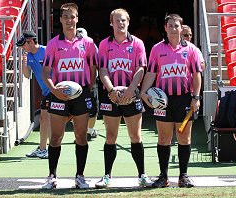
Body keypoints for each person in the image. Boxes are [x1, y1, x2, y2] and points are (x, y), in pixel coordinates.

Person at [140, 14, 203, 188]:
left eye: (177, 25)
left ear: (181, 28)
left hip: (184, 98)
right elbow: (151, 73)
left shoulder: (191, 49)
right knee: (163, 138)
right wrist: (143, 92)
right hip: (162, 99)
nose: (174, 28)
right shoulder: (157, 49)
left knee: (184, 137)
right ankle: (163, 176)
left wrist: (196, 97)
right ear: (165, 28)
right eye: (170, 25)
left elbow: (197, 75)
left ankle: (183, 176)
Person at [41, 3, 97, 189]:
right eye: (65, 17)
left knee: (81, 137)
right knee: (56, 137)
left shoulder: (88, 44)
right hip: (59, 95)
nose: (69, 20)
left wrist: (87, 89)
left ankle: (80, 176)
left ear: (77, 19)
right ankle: (52, 176)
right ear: (60, 20)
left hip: (81, 95)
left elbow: (93, 68)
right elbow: (46, 72)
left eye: (72, 17)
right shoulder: (53, 44)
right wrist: (54, 91)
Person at [95, 8, 151, 189]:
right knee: (110, 136)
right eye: (117, 20)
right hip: (111, 96)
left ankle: (142, 175)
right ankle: (106, 176)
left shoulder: (138, 44)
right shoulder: (104, 44)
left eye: (123, 20)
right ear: (111, 23)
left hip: (131, 95)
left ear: (128, 22)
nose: (120, 23)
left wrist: (131, 90)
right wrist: (111, 90)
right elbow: (102, 70)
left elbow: (141, 69)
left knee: (135, 136)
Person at [16, 31, 50, 159]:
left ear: (30, 41)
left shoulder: (47, 50)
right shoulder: (28, 56)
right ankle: (44, 148)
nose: (22, 48)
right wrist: (24, 64)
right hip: (46, 91)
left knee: (47, 119)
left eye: (23, 45)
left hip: (54, 89)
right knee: (44, 119)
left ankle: (46, 149)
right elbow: (27, 75)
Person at [76, 27, 99, 140]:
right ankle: (80, 132)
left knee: (93, 107)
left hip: (91, 81)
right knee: (76, 108)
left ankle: (89, 131)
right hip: (76, 82)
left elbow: (97, 63)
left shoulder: (91, 45)